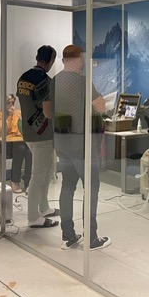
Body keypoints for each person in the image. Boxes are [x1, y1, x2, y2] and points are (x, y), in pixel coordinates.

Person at [53, 45, 111, 250]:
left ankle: (68, 235)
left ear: (63, 61)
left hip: (62, 143)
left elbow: (48, 111)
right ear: (79, 60)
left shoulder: (54, 81)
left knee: (67, 185)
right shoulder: (84, 82)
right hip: (82, 145)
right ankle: (91, 237)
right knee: (92, 188)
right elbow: (100, 107)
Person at [16, 45, 59, 229]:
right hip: (44, 135)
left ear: (37, 57)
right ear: (51, 61)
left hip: (28, 132)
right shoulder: (45, 81)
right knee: (39, 175)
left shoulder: (23, 78)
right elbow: (47, 112)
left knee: (47, 172)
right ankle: (33, 217)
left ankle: (44, 207)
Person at [0, 93, 32, 193]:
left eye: (12, 103)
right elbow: (3, 132)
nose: (11, 105)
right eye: (8, 103)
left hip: (19, 142)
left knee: (29, 151)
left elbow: (24, 128)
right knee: (20, 148)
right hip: (6, 144)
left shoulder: (19, 113)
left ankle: (28, 181)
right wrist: (8, 116)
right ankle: (15, 180)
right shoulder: (0, 115)